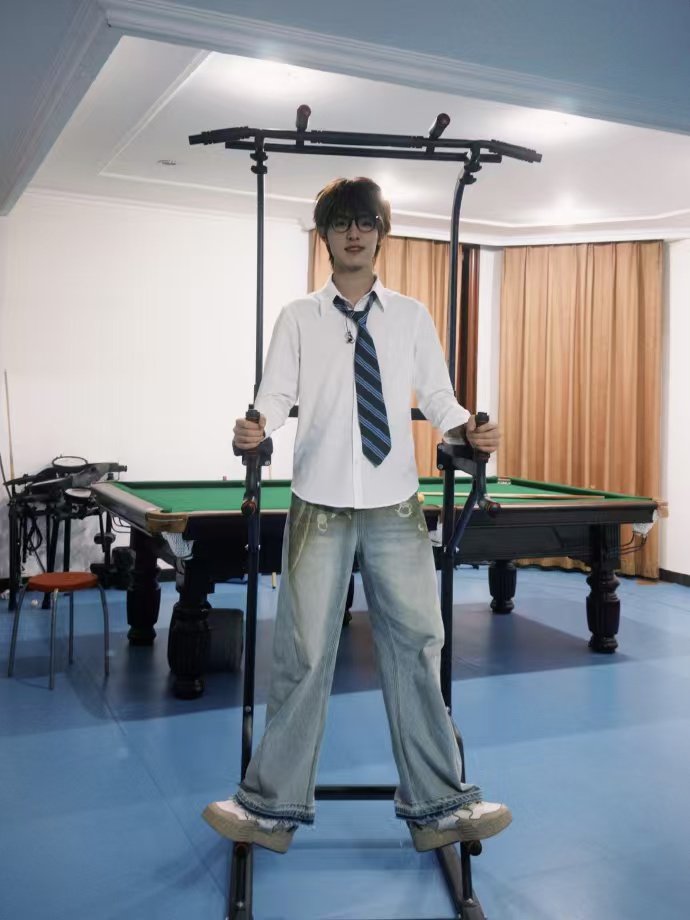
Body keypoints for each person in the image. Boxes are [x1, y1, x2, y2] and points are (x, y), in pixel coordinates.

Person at [203, 177, 511, 855]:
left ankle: (439, 807)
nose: (354, 232)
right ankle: (269, 809)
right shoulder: (298, 317)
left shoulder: (411, 316)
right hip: (319, 506)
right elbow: (274, 396)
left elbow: (439, 397)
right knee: (304, 654)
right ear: (325, 236)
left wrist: (467, 429)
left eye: (366, 221)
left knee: (418, 648)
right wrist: (255, 428)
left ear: (381, 233)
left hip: (395, 507)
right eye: (341, 222)